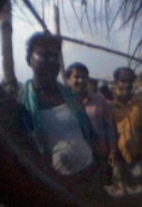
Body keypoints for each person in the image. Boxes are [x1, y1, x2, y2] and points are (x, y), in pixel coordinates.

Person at [19, 32, 96, 176]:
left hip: (89, 171)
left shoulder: (71, 97)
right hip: (56, 182)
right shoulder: (22, 105)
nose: (52, 61)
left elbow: (89, 133)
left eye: (56, 57)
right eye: (45, 55)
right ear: (29, 60)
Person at [65, 62, 117, 172]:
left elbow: (108, 126)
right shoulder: (64, 104)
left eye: (84, 77)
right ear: (68, 80)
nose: (81, 80)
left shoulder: (99, 99)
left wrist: (112, 151)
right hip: (76, 157)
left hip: (100, 155)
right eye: (76, 77)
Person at [109, 67, 142, 177]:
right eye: (123, 81)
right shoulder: (110, 106)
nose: (127, 85)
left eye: (130, 81)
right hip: (120, 159)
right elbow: (109, 133)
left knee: (141, 181)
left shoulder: (140, 103)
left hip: (139, 156)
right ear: (116, 82)